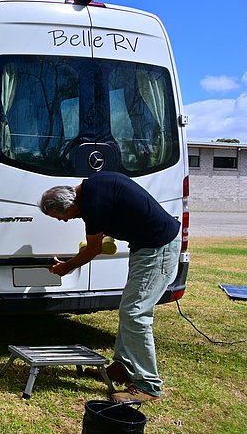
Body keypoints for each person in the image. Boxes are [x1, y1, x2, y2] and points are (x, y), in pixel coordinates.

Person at [39, 170, 181, 403]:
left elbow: (93, 249)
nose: (64, 221)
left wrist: (67, 267)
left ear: (70, 205)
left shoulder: (93, 205)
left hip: (158, 248)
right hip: (146, 246)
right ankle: (123, 367)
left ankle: (148, 385)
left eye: (61, 217)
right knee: (129, 308)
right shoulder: (95, 185)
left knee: (136, 313)